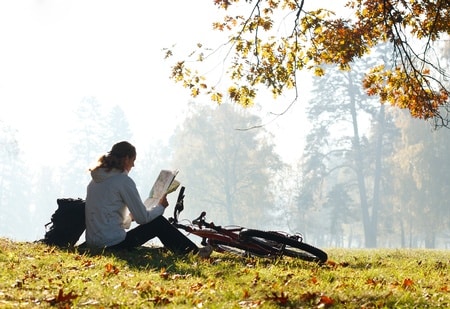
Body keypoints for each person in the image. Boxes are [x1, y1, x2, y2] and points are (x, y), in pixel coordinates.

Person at [85, 141, 212, 257]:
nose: (133, 165)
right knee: (158, 223)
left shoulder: (94, 181)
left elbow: (106, 217)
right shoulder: (123, 181)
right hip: (113, 245)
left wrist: (130, 218)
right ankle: (194, 254)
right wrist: (161, 206)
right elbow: (143, 219)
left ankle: (191, 252)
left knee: (155, 221)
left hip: (94, 243)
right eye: (133, 160)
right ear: (126, 159)